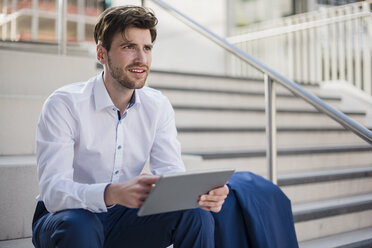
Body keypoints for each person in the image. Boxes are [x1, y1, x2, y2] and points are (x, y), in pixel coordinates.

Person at [32, 5, 229, 248]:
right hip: (63, 217)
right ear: (101, 54)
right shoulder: (64, 104)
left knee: (195, 215)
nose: (141, 59)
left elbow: (170, 173)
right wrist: (111, 193)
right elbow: (54, 192)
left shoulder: (157, 105)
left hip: (123, 218)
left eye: (146, 48)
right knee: (81, 225)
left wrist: (199, 196)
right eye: (129, 47)